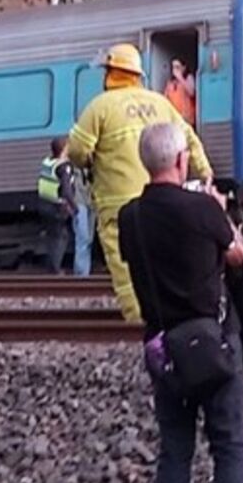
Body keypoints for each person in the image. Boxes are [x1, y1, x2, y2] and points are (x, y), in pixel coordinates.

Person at [118, 122, 243, 483]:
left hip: (164, 346)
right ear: (181, 159)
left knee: (175, 451)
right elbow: (238, 257)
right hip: (214, 342)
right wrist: (222, 215)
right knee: (229, 448)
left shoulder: (131, 217)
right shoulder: (203, 208)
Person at [69, 43, 213, 324]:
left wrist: (88, 161)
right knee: (164, 258)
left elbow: (76, 150)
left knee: (125, 266)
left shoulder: (100, 106)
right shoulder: (160, 103)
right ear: (136, 74)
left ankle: (139, 322)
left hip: (117, 202)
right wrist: (205, 172)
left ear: (111, 73)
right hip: (162, 196)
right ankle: (173, 317)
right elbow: (188, 138)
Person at [38, 138, 92, 276]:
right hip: (62, 205)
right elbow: (67, 191)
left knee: (54, 237)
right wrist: (74, 208)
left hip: (46, 204)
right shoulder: (64, 166)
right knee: (63, 237)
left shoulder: (48, 162)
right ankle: (59, 271)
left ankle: (53, 268)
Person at [164, 58, 198, 125]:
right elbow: (165, 98)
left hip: (186, 117)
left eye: (177, 67)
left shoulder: (188, 78)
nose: (175, 69)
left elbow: (192, 92)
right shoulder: (170, 82)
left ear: (183, 67)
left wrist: (180, 78)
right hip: (174, 117)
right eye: (173, 67)